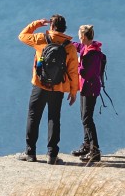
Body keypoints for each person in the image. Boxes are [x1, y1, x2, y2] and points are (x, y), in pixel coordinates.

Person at [18, 14, 80, 164]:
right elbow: (73, 71)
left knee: (33, 116)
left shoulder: (40, 39)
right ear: (64, 28)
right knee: (54, 118)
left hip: (39, 85)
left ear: (51, 26)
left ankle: (30, 153)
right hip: (58, 87)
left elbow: (22, 36)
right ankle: (52, 155)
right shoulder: (69, 47)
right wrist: (73, 91)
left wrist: (37, 23)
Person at [72, 24, 105, 163]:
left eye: (80, 37)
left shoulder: (91, 54)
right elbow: (79, 47)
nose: (79, 39)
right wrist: (65, 41)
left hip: (90, 89)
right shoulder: (88, 47)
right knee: (84, 117)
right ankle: (87, 146)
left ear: (84, 36)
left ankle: (95, 150)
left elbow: (85, 72)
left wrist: (76, 64)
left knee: (87, 119)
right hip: (87, 88)